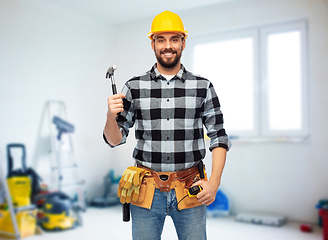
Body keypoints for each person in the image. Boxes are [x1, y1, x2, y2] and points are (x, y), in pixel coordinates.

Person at [103, 10, 231, 240]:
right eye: (160, 39)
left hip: (191, 188)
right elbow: (114, 139)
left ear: (183, 42)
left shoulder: (203, 86)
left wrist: (214, 183)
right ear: (152, 44)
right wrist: (110, 115)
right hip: (146, 190)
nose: (167, 46)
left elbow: (219, 136)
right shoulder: (134, 86)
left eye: (174, 39)